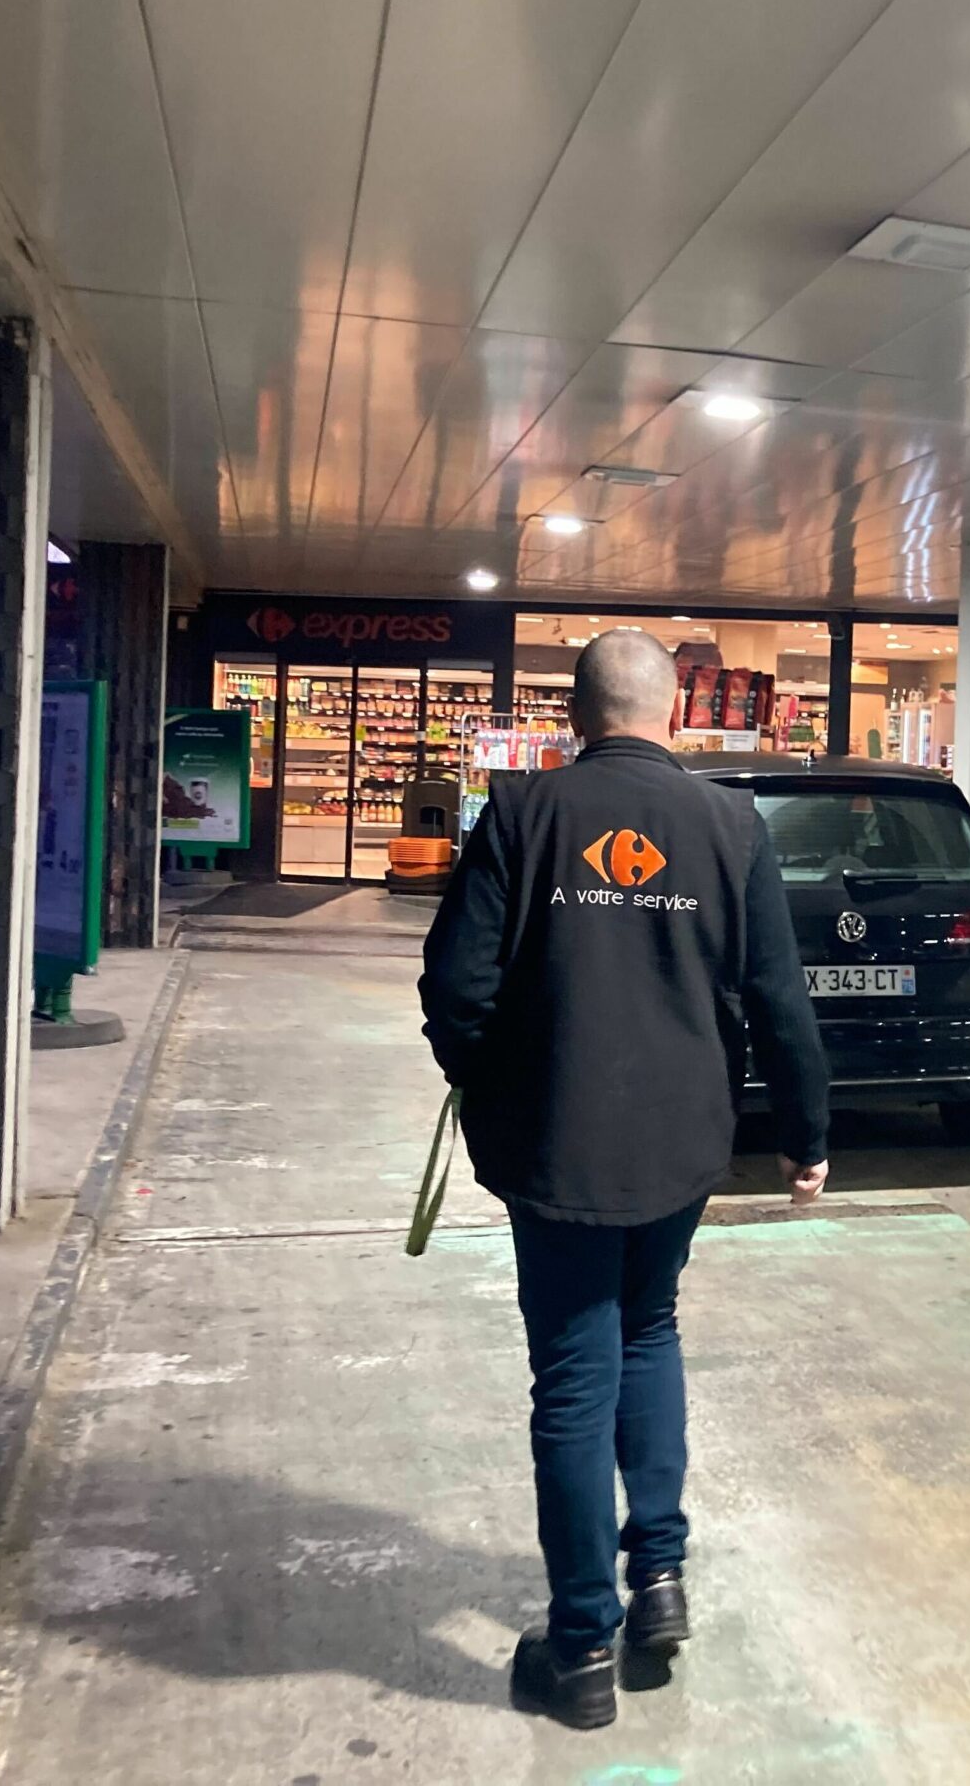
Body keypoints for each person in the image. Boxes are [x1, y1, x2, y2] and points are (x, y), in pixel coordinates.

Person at [419, 629, 830, 1733]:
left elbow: (453, 988)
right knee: (647, 1331)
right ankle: (657, 1578)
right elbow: (780, 999)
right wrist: (805, 1133)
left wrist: (496, 1084)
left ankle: (582, 1645)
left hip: (556, 1143)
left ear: (573, 715)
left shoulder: (521, 813)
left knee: (572, 1374)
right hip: (682, 1142)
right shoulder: (732, 825)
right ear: (676, 714)